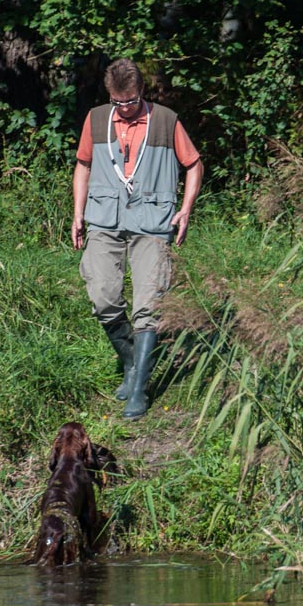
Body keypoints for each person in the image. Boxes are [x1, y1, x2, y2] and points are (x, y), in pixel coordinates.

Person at [72, 58, 203, 420]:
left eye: (129, 101)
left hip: (153, 222)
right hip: (104, 220)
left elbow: (194, 164)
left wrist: (186, 209)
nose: (123, 108)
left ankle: (140, 388)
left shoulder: (166, 120)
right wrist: (77, 213)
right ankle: (131, 362)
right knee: (102, 296)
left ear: (141, 92)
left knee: (149, 303)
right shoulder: (97, 119)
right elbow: (83, 164)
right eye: (117, 101)